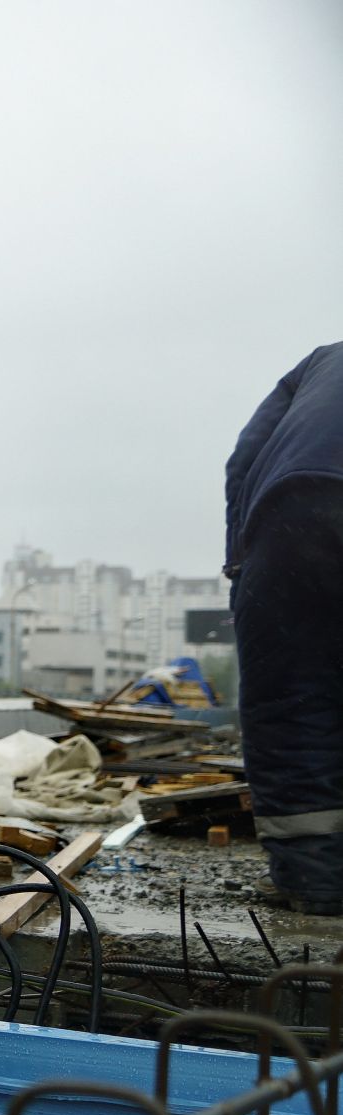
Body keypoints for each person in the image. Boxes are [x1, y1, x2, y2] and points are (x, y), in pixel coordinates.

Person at [225, 342, 343, 915]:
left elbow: (244, 459)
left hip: (299, 512)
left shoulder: (321, 362)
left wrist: (241, 567)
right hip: (302, 503)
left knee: (291, 702)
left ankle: (314, 884)